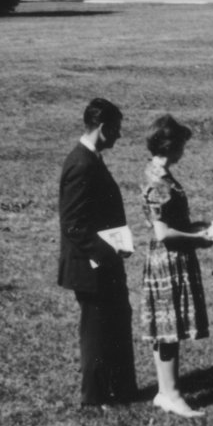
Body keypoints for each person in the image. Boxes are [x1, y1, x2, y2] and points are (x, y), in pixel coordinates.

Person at [140, 114, 213, 418]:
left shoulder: (159, 175)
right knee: (169, 328)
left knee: (166, 327)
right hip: (169, 259)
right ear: (172, 145)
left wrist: (196, 226)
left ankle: (166, 391)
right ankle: (172, 394)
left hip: (171, 257)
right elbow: (163, 233)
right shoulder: (158, 182)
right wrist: (199, 238)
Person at [58, 98, 139, 409]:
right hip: (90, 266)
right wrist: (108, 252)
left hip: (103, 260)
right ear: (103, 128)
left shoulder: (91, 158)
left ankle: (117, 390)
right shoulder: (81, 164)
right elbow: (74, 225)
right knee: (96, 330)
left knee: (114, 322)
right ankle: (95, 397)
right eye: (116, 129)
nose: (119, 136)